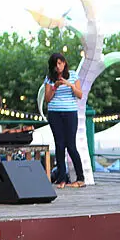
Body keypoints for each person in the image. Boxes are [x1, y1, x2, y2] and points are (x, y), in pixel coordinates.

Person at [44, 52, 84, 188]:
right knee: (59, 145)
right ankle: (62, 179)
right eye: (55, 65)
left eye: (60, 64)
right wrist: (55, 86)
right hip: (55, 113)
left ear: (64, 63)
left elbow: (80, 94)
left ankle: (80, 178)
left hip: (70, 112)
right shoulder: (49, 78)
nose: (58, 67)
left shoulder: (73, 75)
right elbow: (47, 99)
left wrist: (70, 85)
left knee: (71, 145)